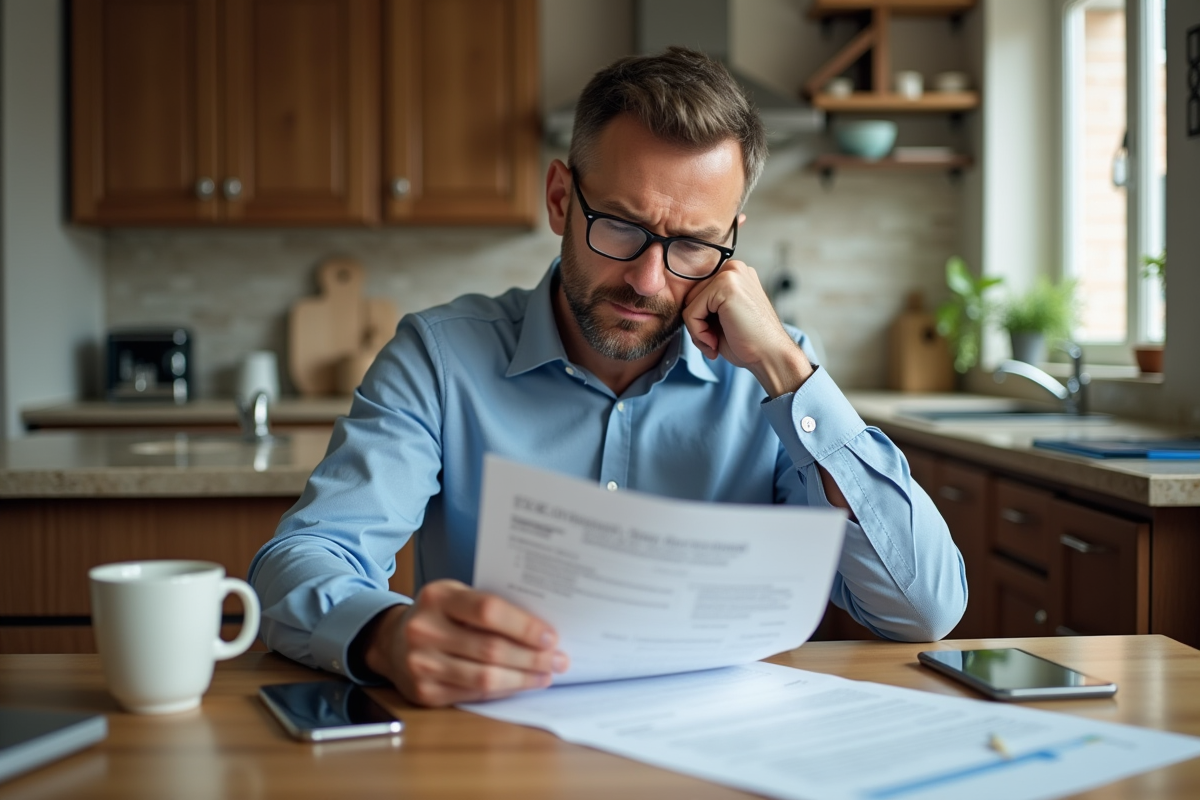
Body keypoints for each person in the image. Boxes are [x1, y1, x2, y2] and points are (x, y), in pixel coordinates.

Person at [249, 47, 967, 708]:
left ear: (732, 242)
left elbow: (924, 607)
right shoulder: (438, 359)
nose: (648, 279)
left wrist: (785, 368)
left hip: (727, 754)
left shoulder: (778, 377)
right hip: (496, 753)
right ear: (561, 197)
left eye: (691, 244)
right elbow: (300, 562)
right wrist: (384, 636)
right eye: (620, 226)